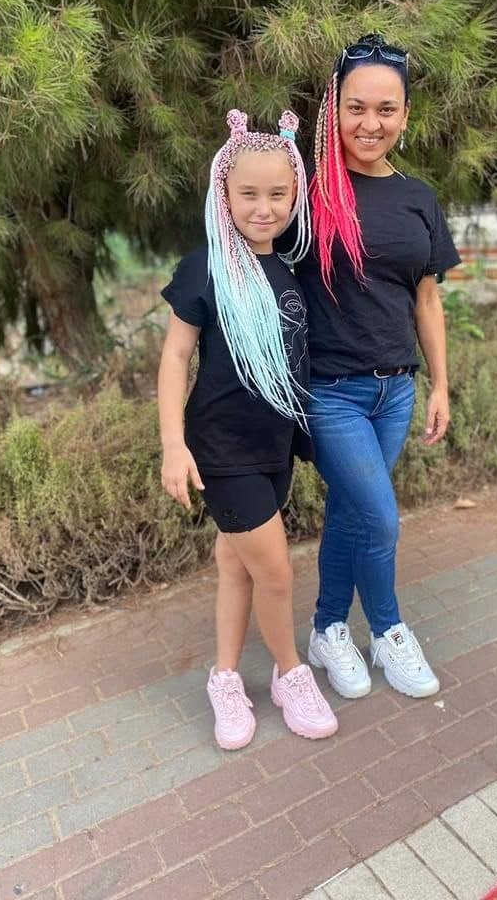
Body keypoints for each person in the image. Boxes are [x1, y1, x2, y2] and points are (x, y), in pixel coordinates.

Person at [157, 109, 337, 750]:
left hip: (272, 447)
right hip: (221, 449)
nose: (264, 208)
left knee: (236, 566)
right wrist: (173, 445)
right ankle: (291, 674)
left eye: (278, 194)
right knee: (277, 573)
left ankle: (226, 678)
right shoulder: (205, 267)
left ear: (295, 195)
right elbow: (176, 356)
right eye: (249, 194)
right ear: (224, 195)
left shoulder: (288, 269)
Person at [297, 34, 462, 701]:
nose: (371, 123)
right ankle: (390, 630)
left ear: (405, 114)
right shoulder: (308, 191)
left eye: (386, 109)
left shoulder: (418, 197)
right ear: (334, 111)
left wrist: (441, 384)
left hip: (395, 392)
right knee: (381, 518)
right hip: (330, 393)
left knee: (351, 512)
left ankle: (327, 628)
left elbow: (427, 300)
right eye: (357, 108)